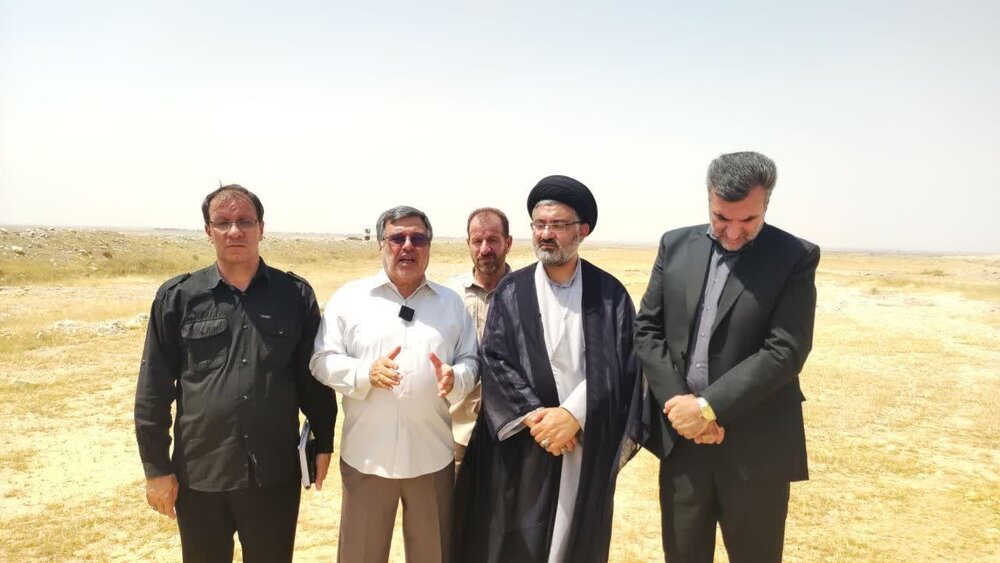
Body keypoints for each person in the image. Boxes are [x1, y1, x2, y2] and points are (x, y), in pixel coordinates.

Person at [134, 184, 337, 563]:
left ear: (261, 228)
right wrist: (157, 468)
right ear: (208, 230)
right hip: (201, 473)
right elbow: (153, 390)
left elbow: (313, 378)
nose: (234, 231)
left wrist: (324, 441)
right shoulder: (178, 298)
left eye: (245, 221)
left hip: (274, 473)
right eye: (223, 222)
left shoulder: (294, 295)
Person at [634, 152, 820, 563]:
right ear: (708, 199)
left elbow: (786, 350)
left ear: (767, 204)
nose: (733, 232)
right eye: (721, 218)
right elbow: (646, 329)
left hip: (755, 449)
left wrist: (708, 408)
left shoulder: (794, 256)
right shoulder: (674, 245)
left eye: (748, 220)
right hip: (683, 445)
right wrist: (681, 406)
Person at [453, 175, 644, 563]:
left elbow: (623, 366)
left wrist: (573, 416)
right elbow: (496, 361)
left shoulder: (610, 295)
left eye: (557, 225)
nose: (545, 234)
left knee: (573, 538)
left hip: (582, 441)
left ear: (582, 230)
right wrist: (538, 420)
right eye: (539, 225)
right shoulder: (512, 290)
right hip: (526, 443)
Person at [310, 205, 478, 562]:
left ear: (428, 246)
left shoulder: (451, 304)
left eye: (418, 238)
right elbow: (321, 360)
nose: (408, 246)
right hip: (367, 458)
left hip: (432, 457)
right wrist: (364, 373)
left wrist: (456, 377)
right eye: (397, 238)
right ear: (380, 245)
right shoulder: (350, 299)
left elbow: (471, 361)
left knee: (434, 554)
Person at [447, 207, 513, 468]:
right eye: (477, 241)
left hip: (511, 430)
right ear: (468, 244)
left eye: (493, 240)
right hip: (457, 432)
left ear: (508, 243)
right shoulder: (449, 296)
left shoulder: (525, 292)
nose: (485, 249)